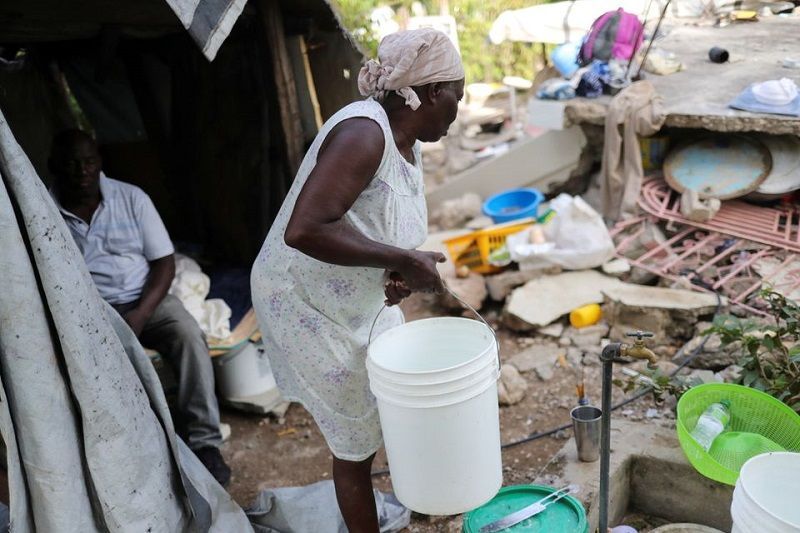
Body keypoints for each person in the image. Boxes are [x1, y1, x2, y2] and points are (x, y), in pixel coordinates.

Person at [251, 28, 465, 532]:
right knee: (356, 440)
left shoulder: (404, 142)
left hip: (352, 301)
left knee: (395, 394)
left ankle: (422, 493)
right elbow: (305, 229)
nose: (460, 107)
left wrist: (393, 270)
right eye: (458, 93)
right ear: (432, 91)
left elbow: (364, 226)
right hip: (305, 304)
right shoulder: (363, 134)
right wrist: (401, 258)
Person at [48, 130, 232, 487]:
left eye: (88, 161)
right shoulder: (46, 211)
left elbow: (164, 263)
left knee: (189, 335)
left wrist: (141, 315)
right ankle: (121, 450)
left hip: (147, 298)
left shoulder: (131, 198)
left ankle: (206, 443)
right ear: (54, 167)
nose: (82, 171)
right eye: (71, 164)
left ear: (99, 161)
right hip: (90, 311)